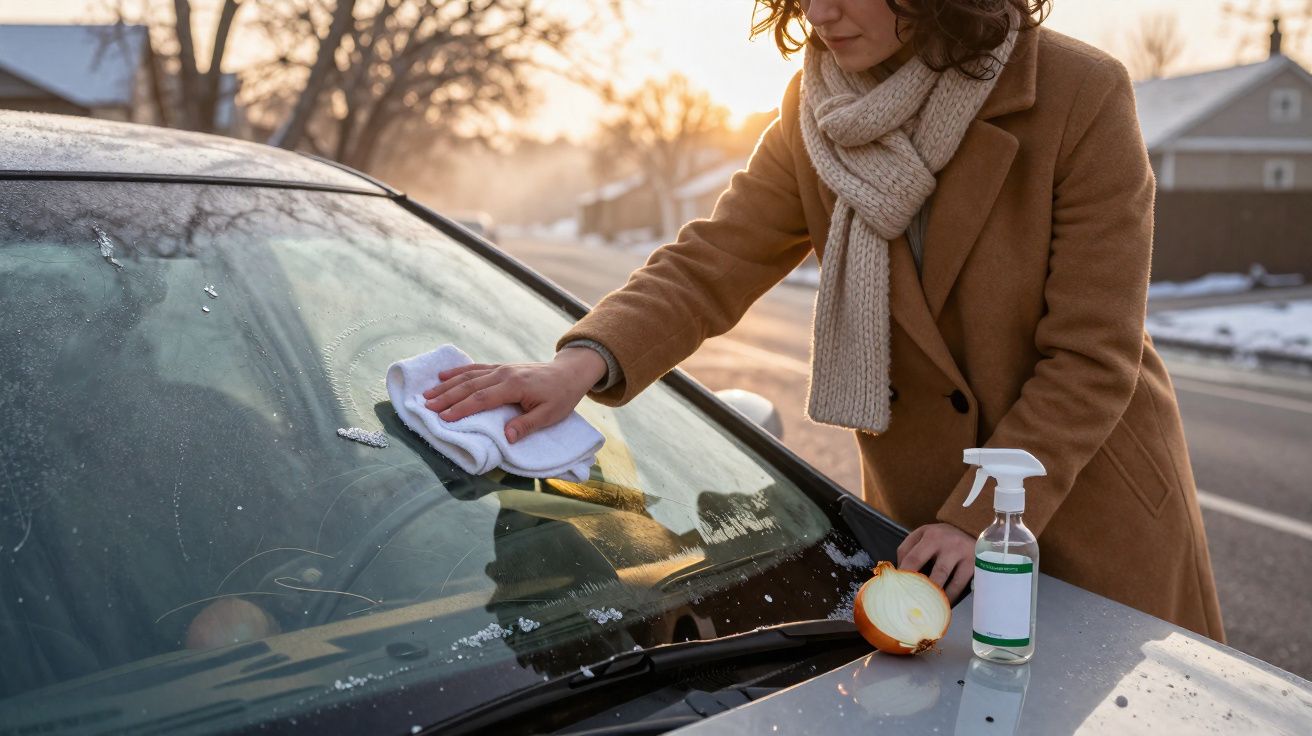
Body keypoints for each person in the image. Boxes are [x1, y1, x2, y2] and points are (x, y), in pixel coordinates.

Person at [422, 0, 1225, 642]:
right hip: (926, 521)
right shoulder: (820, 110)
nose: (819, 12)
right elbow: (714, 259)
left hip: (1072, 500)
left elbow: (1093, 353)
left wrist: (979, 520)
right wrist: (577, 366)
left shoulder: (1078, 94)